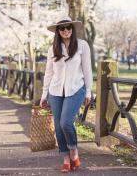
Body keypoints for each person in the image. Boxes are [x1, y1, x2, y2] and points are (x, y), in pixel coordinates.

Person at [40, 15, 93, 173]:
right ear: (58, 31)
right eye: (62, 28)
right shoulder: (53, 48)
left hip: (76, 89)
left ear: (72, 29)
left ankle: (74, 151)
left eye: (68, 27)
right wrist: (44, 95)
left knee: (66, 123)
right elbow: (49, 73)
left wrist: (88, 91)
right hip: (55, 91)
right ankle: (65, 158)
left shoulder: (82, 45)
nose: (65, 30)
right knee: (58, 126)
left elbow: (87, 70)